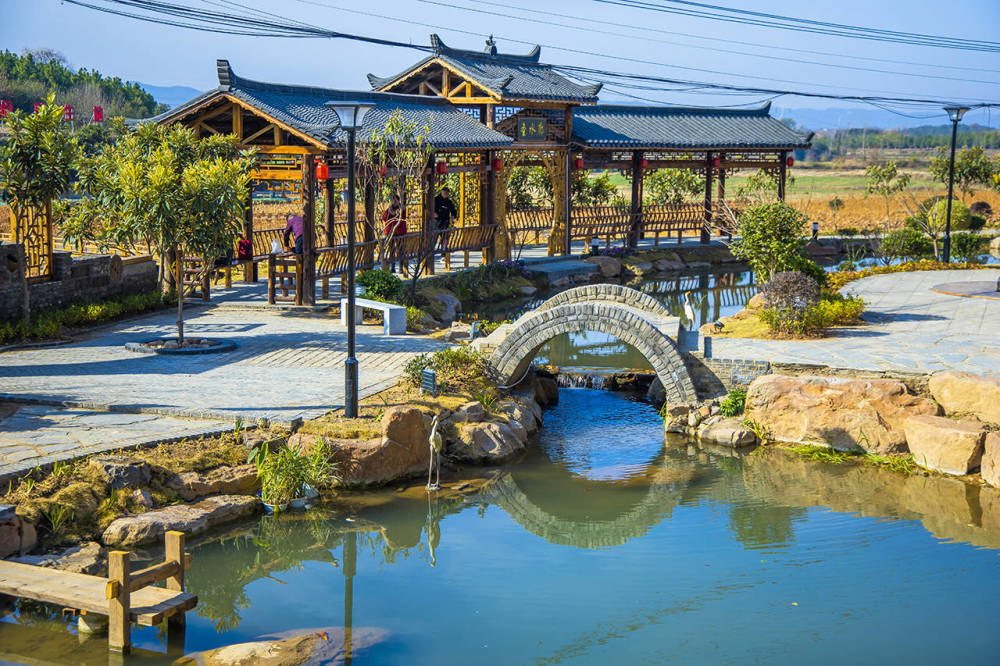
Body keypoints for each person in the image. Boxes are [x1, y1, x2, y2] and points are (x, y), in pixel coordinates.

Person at [381, 194, 407, 273]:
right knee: (391, 250)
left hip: (400, 231)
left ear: (398, 200)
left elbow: (400, 216)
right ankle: (392, 267)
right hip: (390, 232)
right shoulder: (389, 208)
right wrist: (389, 211)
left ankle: (401, 267)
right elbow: (384, 218)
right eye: (392, 200)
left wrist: (394, 212)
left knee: (400, 250)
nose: (393, 202)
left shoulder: (402, 208)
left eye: (395, 200)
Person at [433, 187, 459, 256]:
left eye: (447, 193)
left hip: (445, 222)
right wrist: (433, 213)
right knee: (434, 237)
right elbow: (429, 208)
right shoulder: (435, 199)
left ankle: (443, 252)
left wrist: (453, 216)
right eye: (444, 193)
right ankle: (431, 252)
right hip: (436, 221)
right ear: (441, 192)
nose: (445, 194)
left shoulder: (449, 202)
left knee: (445, 237)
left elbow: (453, 210)